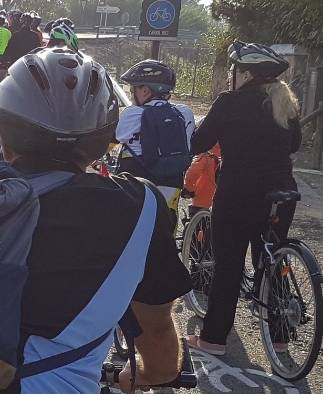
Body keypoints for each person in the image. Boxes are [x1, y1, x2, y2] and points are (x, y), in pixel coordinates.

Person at [0, 47, 191, 393]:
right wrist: (141, 376)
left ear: (5, 139)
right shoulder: (138, 207)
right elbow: (157, 341)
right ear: (99, 144)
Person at [186, 41, 300, 356]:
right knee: (273, 258)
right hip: (282, 192)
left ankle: (213, 339)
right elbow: (294, 144)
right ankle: (280, 334)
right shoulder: (284, 102)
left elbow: (198, 143)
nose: (230, 76)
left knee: (228, 267)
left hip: (238, 194)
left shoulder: (229, 102)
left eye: (235, 70)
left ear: (246, 74)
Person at [115, 60, 196, 216]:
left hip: (136, 181)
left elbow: (117, 137)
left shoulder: (131, 114)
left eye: (132, 91)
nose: (131, 96)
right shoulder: (184, 113)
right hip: (172, 179)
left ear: (145, 90)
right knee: (166, 222)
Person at [182, 142, 221, 216]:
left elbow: (193, 172)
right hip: (225, 203)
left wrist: (188, 189)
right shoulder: (232, 154)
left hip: (202, 203)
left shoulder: (206, 154)